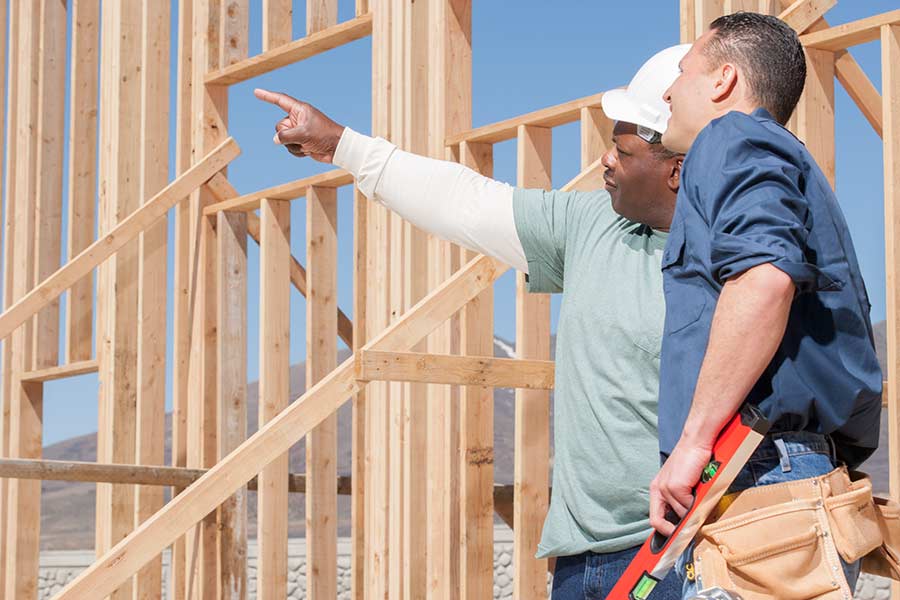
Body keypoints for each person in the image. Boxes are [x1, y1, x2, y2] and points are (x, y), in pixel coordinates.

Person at [255, 45, 688, 599]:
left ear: (676, 170)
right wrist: (339, 142)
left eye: (622, 151)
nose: (606, 161)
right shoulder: (594, 225)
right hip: (584, 562)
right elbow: (466, 202)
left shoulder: (740, 261)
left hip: (683, 555)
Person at [648, 12, 882, 599]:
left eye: (681, 74)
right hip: (786, 470)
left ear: (723, 80)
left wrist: (695, 443)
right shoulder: (786, 160)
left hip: (756, 469)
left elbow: (763, 280)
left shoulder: (730, 137)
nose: (669, 92)